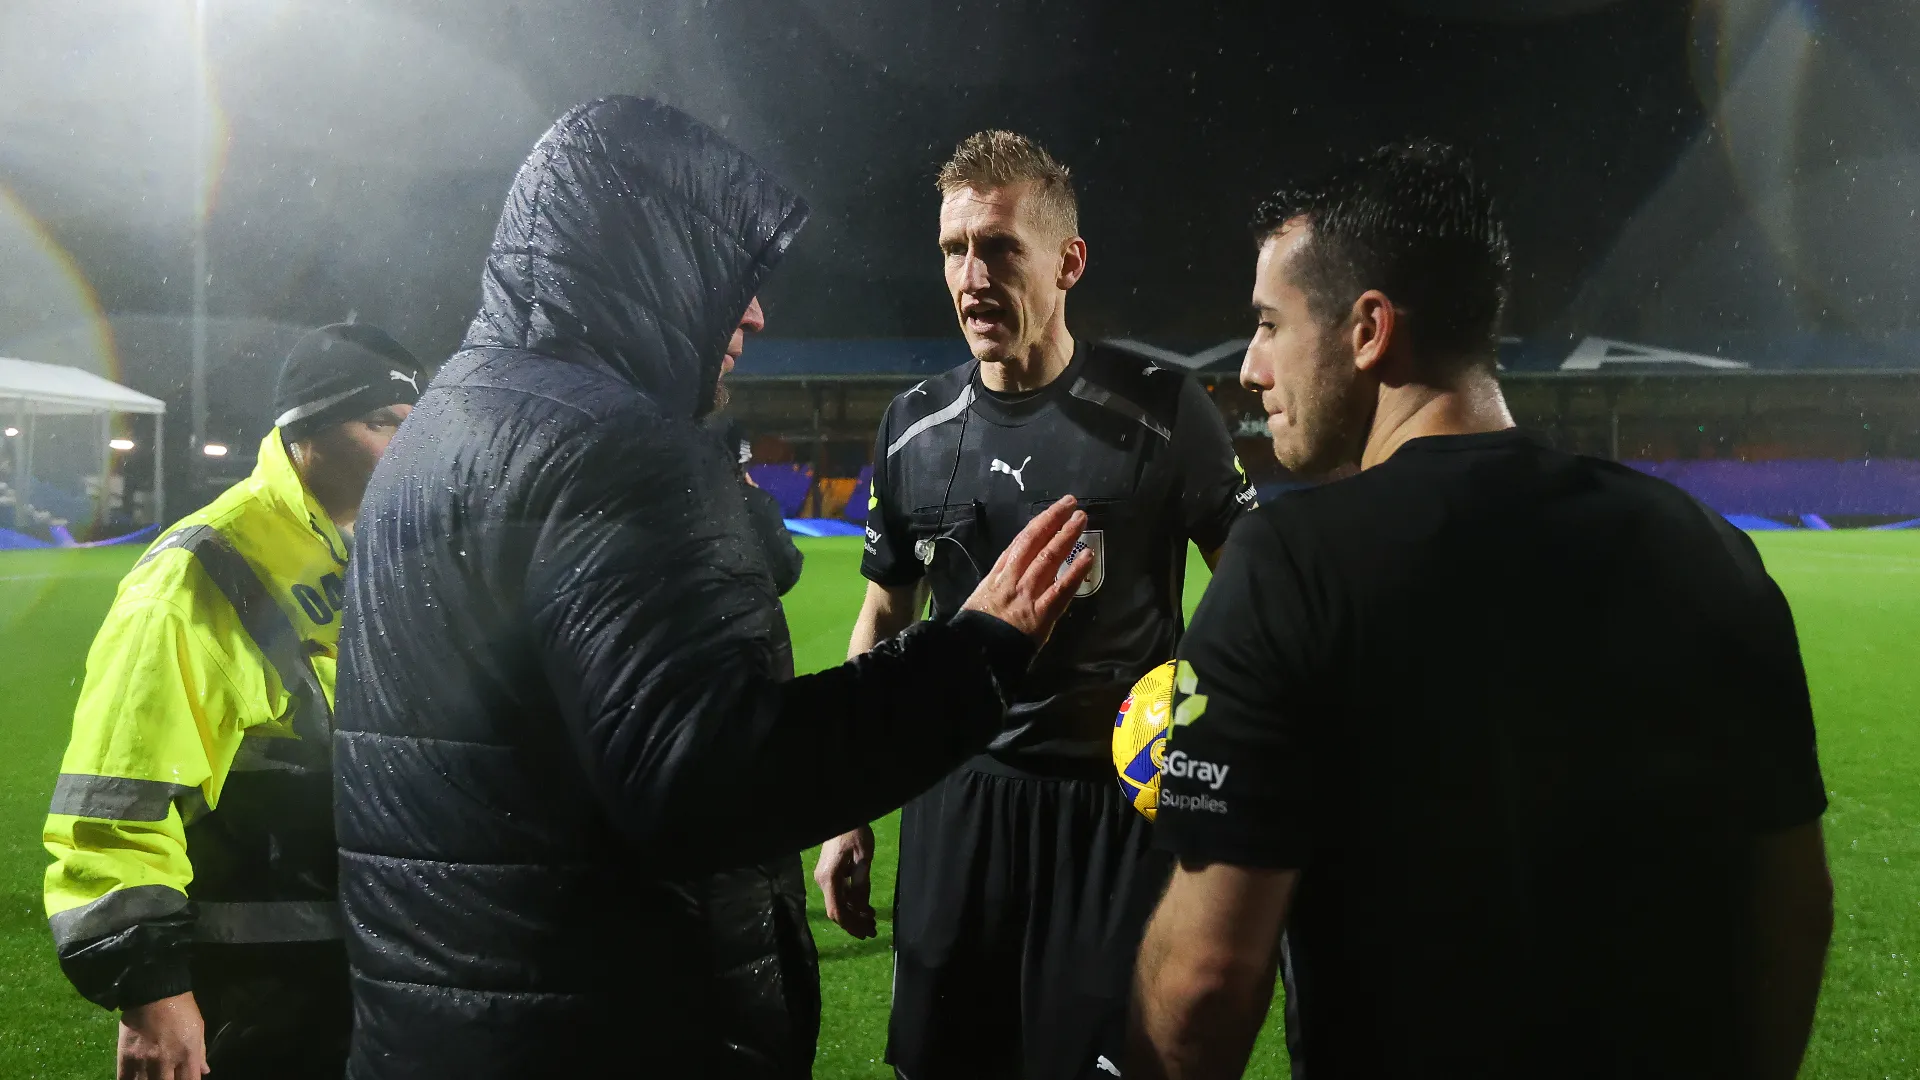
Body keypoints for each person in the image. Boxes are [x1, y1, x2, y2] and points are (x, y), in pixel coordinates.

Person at [329, 96, 1093, 1080]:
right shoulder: (619, 450)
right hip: (611, 1032)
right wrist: (973, 651)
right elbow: (713, 780)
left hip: (434, 1029)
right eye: (737, 276)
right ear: (651, 260)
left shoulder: (439, 428)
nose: (757, 313)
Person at [1131, 143, 1834, 1080]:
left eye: (1268, 324)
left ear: (1368, 330)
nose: (1252, 368)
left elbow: (1203, 989)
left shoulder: (1291, 563)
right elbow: (1795, 905)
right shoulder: (1708, 548)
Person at [813, 130, 1255, 1079]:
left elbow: (1255, 588)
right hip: (954, 803)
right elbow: (883, 620)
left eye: (1001, 246)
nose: (972, 274)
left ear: (1068, 261)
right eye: (953, 249)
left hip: (1114, 813)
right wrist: (846, 806)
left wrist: (1212, 726)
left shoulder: (1163, 407)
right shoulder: (914, 427)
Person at [42, 322, 424, 1080]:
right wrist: (153, 990)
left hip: (377, 969)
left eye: (418, 427)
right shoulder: (199, 574)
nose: (408, 448)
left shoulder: (386, 551)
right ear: (303, 433)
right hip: (256, 991)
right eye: (382, 424)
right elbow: (116, 807)